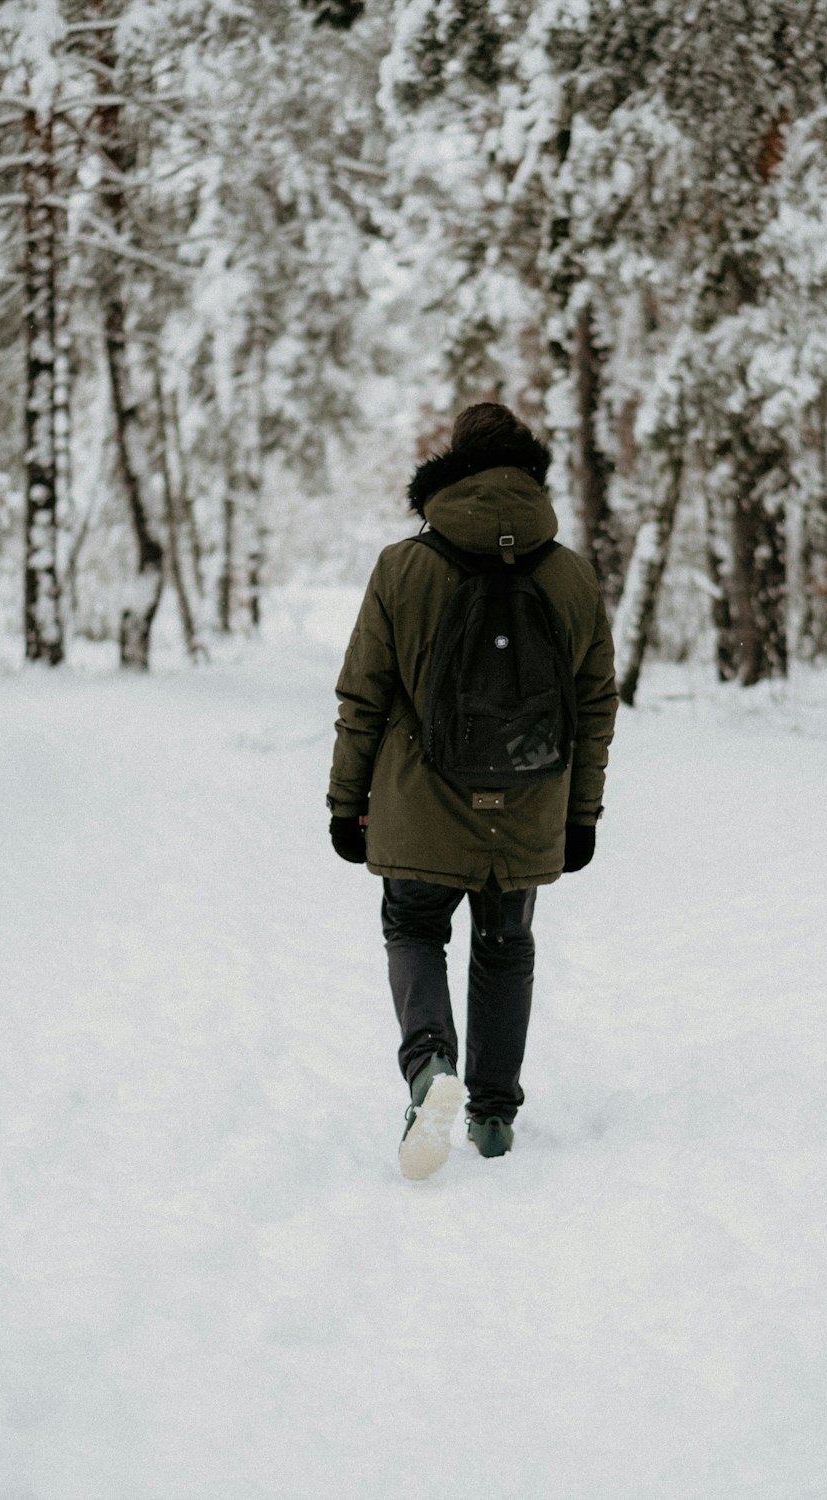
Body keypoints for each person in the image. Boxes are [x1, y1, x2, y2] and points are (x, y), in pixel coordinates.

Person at [327, 402, 617, 1178]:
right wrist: (581, 814)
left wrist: (343, 802)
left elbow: (363, 696)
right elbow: (595, 705)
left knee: (415, 930)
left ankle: (430, 1070)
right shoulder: (570, 573)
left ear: (456, 467)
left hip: (419, 802)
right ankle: (492, 1117)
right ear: (528, 470)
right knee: (505, 943)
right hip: (527, 805)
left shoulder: (402, 565)